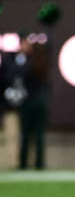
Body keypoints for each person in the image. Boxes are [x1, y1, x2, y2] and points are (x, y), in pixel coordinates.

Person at [7, 34, 50, 170]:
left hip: (30, 103)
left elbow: (16, 73)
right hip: (40, 102)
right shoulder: (42, 62)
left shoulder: (29, 63)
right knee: (35, 134)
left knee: (29, 134)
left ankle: (27, 163)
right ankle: (37, 163)